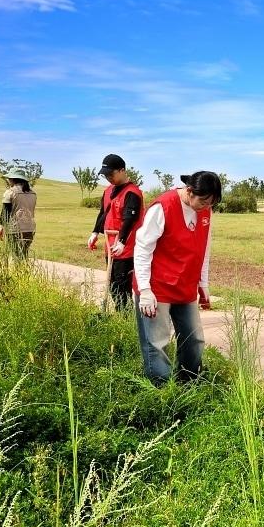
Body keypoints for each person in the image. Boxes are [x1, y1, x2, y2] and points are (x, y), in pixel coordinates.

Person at [133, 171, 221, 385]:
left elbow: (204, 248)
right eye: (203, 201)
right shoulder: (163, 207)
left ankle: (190, 384)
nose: (206, 207)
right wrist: (145, 290)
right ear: (189, 191)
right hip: (157, 288)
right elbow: (143, 248)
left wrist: (203, 283)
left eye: (211, 203)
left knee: (194, 339)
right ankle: (161, 393)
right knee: (157, 343)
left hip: (185, 286)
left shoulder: (205, 211)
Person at [88, 154, 144, 308]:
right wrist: (94, 233)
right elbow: (103, 213)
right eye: (105, 175)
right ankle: (121, 316)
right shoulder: (108, 191)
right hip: (110, 246)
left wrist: (122, 241)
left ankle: (126, 320)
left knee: (121, 286)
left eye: (111, 174)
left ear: (122, 170)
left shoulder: (132, 193)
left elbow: (130, 220)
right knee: (112, 284)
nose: (108, 178)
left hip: (126, 249)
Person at [0, 168, 37, 257]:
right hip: (30, 228)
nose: (7, 180)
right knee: (23, 255)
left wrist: (0, 227)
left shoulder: (10, 192)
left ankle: (19, 271)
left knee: (16, 256)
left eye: (9, 178)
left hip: (15, 230)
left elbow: (5, 212)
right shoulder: (33, 193)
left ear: (13, 179)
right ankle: (24, 270)